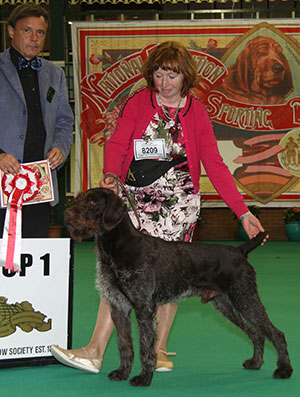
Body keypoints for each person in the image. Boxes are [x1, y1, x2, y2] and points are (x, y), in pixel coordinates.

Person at [51, 41, 266, 374]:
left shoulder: (197, 112)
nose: (164, 82)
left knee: (172, 277)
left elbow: (215, 165)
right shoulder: (139, 102)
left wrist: (243, 212)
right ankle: (95, 350)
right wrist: (111, 172)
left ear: (185, 77)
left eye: (172, 75)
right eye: (159, 74)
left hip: (179, 207)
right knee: (119, 277)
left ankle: (159, 349)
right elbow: (119, 142)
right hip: (137, 204)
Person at [0, 4, 74, 238]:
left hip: (39, 183)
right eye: (27, 31)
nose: (34, 39)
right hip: (3, 179)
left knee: (34, 252)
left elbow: (64, 122)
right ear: (11, 31)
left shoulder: (56, 74)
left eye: (40, 33)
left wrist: (60, 148)